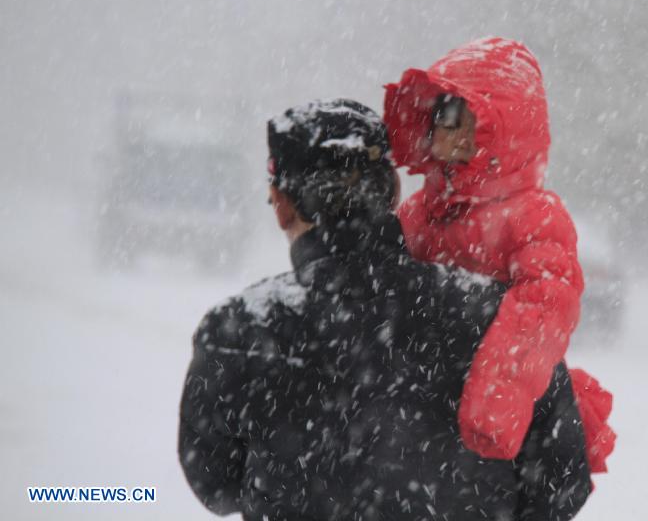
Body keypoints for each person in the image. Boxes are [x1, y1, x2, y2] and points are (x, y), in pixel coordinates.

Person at [178, 99, 592, 521]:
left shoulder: (238, 329)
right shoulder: (496, 317)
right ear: (393, 191)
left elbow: (215, 485)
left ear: (282, 204)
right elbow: (563, 480)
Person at [384, 37, 615, 472]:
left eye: (457, 115)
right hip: (425, 413)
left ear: (501, 128)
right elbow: (387, 283)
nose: (443, 129)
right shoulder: (420, 211)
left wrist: (495, 401)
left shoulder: (532, 215)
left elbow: (545, 306)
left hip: (499, 426)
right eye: (438, 114)